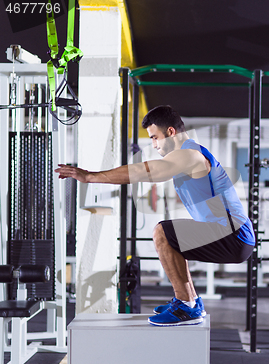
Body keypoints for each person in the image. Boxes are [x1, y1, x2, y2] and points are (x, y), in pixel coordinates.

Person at [55, 105, 255, 326]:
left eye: (155, 138)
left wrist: (91, 177)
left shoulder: (190, 155)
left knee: (163, 232)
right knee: (174, 238)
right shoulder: (189, 154)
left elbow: (147, 171)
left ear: (170, 132)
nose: (154, 144)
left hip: (234, 235)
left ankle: (185, 305)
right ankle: (191, 303)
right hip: (230, 233)